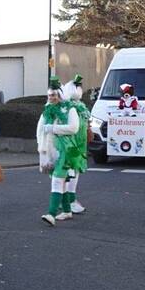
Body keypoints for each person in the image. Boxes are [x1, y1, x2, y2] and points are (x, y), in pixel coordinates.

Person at [37, 76, 82, 225]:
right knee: (60, 181)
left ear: (60, 95)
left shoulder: (70, 109)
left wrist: (54, 128)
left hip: (66, 150)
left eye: (54, 95)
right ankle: (67, 211)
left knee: (57, 180)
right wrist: (42, 150)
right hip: (50, 150)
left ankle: (51, 213)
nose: (51, 98)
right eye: (49, 95)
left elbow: (74, 128)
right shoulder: (47, 110)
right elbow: (40, 130)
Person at [61, 74, 90, 214]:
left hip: (79, 143)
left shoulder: (79, 106)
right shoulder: (68, 107)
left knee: (73, 171)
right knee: (71, 171)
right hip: (71, 144)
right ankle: (70, 201)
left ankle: (67, 200)